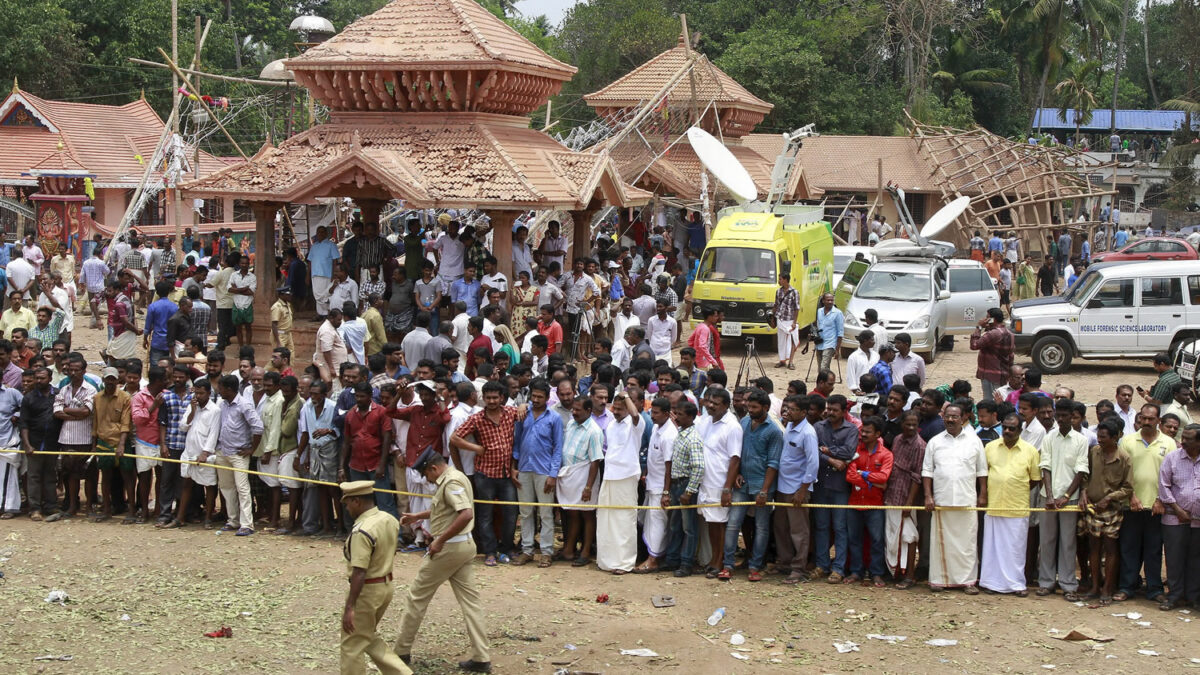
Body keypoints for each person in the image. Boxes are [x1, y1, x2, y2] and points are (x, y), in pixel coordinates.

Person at [393, 450, 492, 673]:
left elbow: (465, 513)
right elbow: (444, 508)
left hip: (450, 548)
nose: (426, 479)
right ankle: (481, 657)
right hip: (463, 546)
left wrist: (440, 541)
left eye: (426, 475)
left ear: (433, 468)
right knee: (470, 602)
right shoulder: (456, 477)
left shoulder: (450, 482)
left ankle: (401, 651)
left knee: (416, 596)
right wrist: (417, 516)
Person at [337, 480, 409, 675]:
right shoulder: (388, 519)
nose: (347, 508)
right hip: (386, 585)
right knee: (367, 635)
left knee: (351, 643)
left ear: (357, 501)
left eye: (348, 503)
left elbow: (360, 571)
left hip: (367, 590)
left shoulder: (362, 530)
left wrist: (350, 607)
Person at [450, 381, 520, 566]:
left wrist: (524, 404)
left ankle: (507, 548)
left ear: (502, 398)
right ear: (483, 398)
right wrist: (475, 448)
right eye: (488, 397)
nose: (491, 401)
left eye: (495, 397)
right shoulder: (476, 418)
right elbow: (454, 438)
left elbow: (525, 409)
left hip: (506, 475)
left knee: (511, 513)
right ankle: (489, 551)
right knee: (485, 514)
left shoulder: (511, 413)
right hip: (485, 474)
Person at [922, 403, 988, 593]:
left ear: (963, 418)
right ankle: (939, 580)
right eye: (947, 416)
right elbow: (927, 471)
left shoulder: (974, 441)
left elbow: (981, 471)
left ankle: (967, 582)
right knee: (940, 542)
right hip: (941, 500)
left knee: (967, 544)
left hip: (966, 500)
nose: (950, 420)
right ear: (943, 417)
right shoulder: (935, 442)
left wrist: (983, 494)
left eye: (955, 417)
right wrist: (928, 496)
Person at [1116, 402, 1172, 603]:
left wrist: (1160, 500)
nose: (1147, 422)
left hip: (1157, 507)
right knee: (1129, 547)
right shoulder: (1128, 441)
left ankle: (1155, 589)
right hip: (1131, 505)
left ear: (1158, 420)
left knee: (1154, 550)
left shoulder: (1169, 443)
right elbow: (1122, 473)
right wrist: (1131, 496)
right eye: (1144, 418)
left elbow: (1170, 477)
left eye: (1151, 419)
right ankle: (1126, 587)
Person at [980, 414, 1040, 595]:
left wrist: (1014, 487)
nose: (1007, 431)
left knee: (1015, 550)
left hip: (1017, 507)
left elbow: (1035, 480)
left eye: (1012, 428)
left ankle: (1016, 585)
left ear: (1020, 431)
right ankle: (991, 583)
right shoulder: (990, 447)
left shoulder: (1030, 451)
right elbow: (984, 474)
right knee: (992, 548)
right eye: (1005, 427)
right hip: (994, 505)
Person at [1037, 400, 1089, 601]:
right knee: (1047, 540)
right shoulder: (1049, 437)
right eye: (1058, 415)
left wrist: (1066, 496)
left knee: (1068, 542)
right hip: (1048, 497)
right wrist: (1050, 496)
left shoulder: (1081, 440)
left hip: (1070, 498)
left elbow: (1081, 470)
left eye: (1064, 416)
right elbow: (1045, 467)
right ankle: (1046, 582)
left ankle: (1068, 584)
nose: (1060, 419)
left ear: (1072, 416)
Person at [1077, 418, 1132, 605]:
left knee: (1110, 549)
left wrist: (1109, 498)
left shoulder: (1124, 458)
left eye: (1104, 437)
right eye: (1099, 437)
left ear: (1116, 437)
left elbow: (1128, 487)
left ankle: (1108, 587)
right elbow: (1085, 475)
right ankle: (1095, 586)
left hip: (1112, 510)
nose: (1099, 440)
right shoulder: (1094, 452)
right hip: (1092, 508)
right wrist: (1084, 492)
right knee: (1093, 547)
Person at [511, 379, 563, 567]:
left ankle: (547, 552)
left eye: (540, 397)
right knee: (525, 512)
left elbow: (558, 447)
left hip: (544, 471)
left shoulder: (554, 418)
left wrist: (553, 474)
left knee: (546, 513)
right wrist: (514, 467)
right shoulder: (523, 414)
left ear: (548, 398)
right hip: (524, 468)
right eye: (533, 396)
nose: (536, 399)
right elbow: (516, 442)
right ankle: (527, 550)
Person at [596, 388, 645, 574]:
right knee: (607, 519)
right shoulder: (610, 426)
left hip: (626, 477)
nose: (615, 412)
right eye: (614, 408)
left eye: (619, 409)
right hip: (609, 476)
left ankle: (624, 563)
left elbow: (635, 414)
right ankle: (607, 560)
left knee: (624, 520)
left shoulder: (635, 424)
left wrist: (625, 396)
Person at [812, 394, 858, 583]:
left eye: (834, 410)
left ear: (843, 412)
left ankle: (838, 567)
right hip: (821, 483)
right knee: (821, 526)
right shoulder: (818, 427)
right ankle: (822, 565)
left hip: (840, 486)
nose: (829, 413)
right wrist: (831, 459)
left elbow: (849, 452)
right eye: (828, 409)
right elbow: (813, 450)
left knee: (840, 527)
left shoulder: (851, 429)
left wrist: (828, 450)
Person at [696, 388, 742, 577]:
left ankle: (719, 561)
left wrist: (727, 488)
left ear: (725, 405)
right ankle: (711, 558)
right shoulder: (705, 421)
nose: (710, 406)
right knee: (710, 522)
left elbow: (735, 459)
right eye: (709, 402)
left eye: (715, 403)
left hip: (719, 482)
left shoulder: (732, 426)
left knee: (718, 523)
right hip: (704, 481)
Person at [844, 416, 892, 587]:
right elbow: (850, 476)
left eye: (867, 431)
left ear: (877, 434)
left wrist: (862, 474)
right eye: (862, 430)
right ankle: (856, 571)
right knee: (854, 539)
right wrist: (874, 482)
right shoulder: (855, 450)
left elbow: (884, 477)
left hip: (875, 504)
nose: (862, 434)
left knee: (877, 540)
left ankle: (876, 573)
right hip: (855, 502)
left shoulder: (886, 454)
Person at [214, 374, 263, 536]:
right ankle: (233, 520)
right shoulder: (222, 404)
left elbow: (258, 427)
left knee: (242, 488)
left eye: (221, 388)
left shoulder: (244, 405)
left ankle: (247, 524)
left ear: (228, 389)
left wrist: (251, 449)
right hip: (223, 451)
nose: (218, 391)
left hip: (239, 453)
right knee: (227, 487)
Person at [1158, 424, 1200, 611]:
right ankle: (1174, 595)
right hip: (1175, 518)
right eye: (1183, 437)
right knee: (1174, 558)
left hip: (1198, 521)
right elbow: (1164, 485)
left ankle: (1193, 596)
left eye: (1189, 438)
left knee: (1195, 559)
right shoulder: (1172, 458)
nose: (1183, 441)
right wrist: (1177, 508)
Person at [558, 397, 604, 566]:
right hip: (570, 476)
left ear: (589, 411)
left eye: (578, 410)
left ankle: (585, 552)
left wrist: (588, 487)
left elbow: (595, 461)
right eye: (573, 409)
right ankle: (569, 549)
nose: (574, 412)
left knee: (587, 514)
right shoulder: (571, 424)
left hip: (585, 476)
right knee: (573, 513)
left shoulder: (594, 431)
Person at [884, 410, 926, 588]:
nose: (910, 428)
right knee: (892, 536)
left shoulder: (920, 446)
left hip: (907, 498)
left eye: (913, 425)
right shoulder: (897, 440)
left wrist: (909, 503)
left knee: (909, 537)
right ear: (901, 424)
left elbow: (917, 477)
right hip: (892, 494)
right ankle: (896, 572)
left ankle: (909, 575)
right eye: (907, 424)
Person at [52, 355, 96, 518]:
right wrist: (75, 414)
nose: (73, 373)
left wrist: (67, 410)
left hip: (85, 438)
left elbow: (87, 412)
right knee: (69, 474)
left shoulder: (90, 389)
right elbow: (56, 412)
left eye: (77, 370)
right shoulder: (64, 389)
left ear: (84, 371)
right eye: (70, 370)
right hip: (67, 437)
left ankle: (90, 506)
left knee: (90, 474)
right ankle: (72, 505)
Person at [20, 367, 59, 520]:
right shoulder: (29, 398)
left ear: (49, 378)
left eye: (42, 378)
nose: (38, 381)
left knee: (51, 475)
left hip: (53, 443)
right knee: (33, 476)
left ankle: (51, 506)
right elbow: (24, 424)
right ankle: (35, 508)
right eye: (37, 378)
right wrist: (27, 445)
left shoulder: (57, 394)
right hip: (34, 443)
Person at [969, 308, 1015, 403]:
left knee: (989, 401)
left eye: (987, 317)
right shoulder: (1010, 333)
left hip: (990, 374)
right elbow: (1011, 355)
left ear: (992, 319)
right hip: (1003, 373)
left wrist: (979, 327)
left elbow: (974, 345)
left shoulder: (993, 334)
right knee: (1001, 398)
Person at [308, 227, 341, 318]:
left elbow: (335, 260)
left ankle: (327, 314)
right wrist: (307, 276)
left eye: (322, 232)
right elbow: (310, 261)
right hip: (315, 274)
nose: (320, 234)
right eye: (318, 232)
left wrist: (334, 274)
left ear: (326, 233)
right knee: (317, 295)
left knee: (326, 295)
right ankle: (319, 314)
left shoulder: (331, 245)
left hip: (326, 274)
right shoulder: (314, 246)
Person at [774, 272, 800, 368]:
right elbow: (776, 305)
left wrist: (794, 322)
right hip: (780, 319)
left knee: (792, 340)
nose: (779, 281)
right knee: (781, 341)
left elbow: (797, 308)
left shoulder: (794, 292)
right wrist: (772, 317)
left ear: (785, 280)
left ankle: (791, 362)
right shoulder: (778, 292)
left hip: (790, 320)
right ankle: (782, 360)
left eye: (780, 279)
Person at [813, 293, 844, 372]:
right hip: (819, 343)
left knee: (824, 367)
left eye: (832, 300)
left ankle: (826, 381)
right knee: (820, 368)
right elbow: (817, 325)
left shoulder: (838, 313)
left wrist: (837, 349)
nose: (830, 302)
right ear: (823, 301)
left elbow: (840, 332)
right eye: (828, 300)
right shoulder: (819, 311)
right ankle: (825, 381)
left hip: (830, 343)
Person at [845, 330, 878, 396]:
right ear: (865, 341)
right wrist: (855, 391)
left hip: (873, 391)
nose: (874, 342)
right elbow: (850, 375)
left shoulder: (876, 355)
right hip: (858, 392)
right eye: (872, 340)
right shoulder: (853, 357)